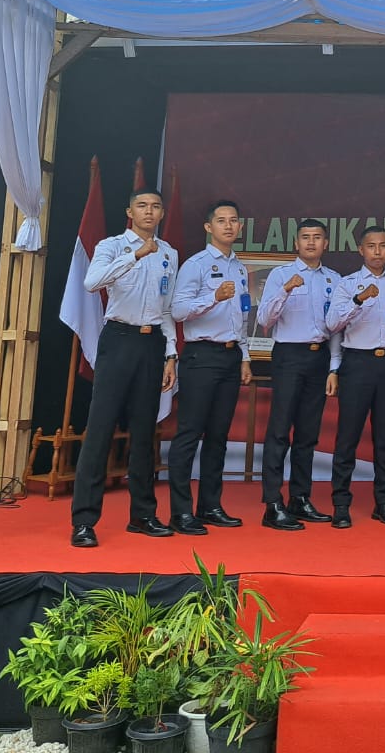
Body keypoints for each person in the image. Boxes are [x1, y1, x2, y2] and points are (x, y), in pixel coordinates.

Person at [71, 187, 179, 548]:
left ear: (161, 213)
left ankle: (143, 515)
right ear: (129, 212)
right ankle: (84, 521)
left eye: (156, 206)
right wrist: (135, 255)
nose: (149, 212)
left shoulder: (169, 253)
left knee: (145, 432)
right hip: (119, 338)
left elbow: (166, 308)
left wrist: (171, 355)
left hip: (152, 343)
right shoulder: (112, 246)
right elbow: (91, 283)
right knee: (100, 428)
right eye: (142, 206)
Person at [167, 199, 253, 535]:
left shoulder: (240, 268)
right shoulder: (196, 265)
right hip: (201, 356)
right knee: (190, 434)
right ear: (208, 227)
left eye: (234, 220)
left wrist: (244, 356)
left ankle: (210, 506)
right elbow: (178, 311)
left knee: (219, 436)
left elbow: (241, 316)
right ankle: (180, 512)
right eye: (221, 220)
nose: (229, 226)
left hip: (230, 357)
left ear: (240, 227)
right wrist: (213, 298)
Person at [256, 219, 342, 530]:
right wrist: (286, 290)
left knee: (308, 433)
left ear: (326, 244)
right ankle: (272, 503)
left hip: (319, 358)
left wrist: (334, 367)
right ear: (296, 243)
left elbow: (336, 328)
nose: (311, 242)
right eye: (305, 237)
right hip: (289, 356)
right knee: (280, 431)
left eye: (317, 237)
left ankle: (300, 498)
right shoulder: (280, 275)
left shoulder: (334, 279)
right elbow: (264, 319)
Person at [326, 225, 385, 527]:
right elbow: (333, 325)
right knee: (347, 437)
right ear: (361, 250)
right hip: (357, 364)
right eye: (371, 246)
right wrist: (358, 299)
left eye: (383, 245)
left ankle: (384, 503)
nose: (377, 251)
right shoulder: (348, 284)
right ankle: (340, 504)